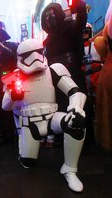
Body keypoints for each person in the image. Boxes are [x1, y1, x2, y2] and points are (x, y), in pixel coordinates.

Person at [2, 39, 86, 192]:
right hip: (29, 124)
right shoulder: (14, 77)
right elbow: (5, 106)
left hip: (52, 118)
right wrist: (12, 96)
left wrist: (76, 108)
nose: (34, 57)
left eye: (39, 52)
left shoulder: (53, 70)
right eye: (28, 54)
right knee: (28, 163)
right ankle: (25, 148)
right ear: (20, 57)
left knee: (76, 123)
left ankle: (69, 169)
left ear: (43, 52)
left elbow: (75, 91)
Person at [41, 1, 94, 146]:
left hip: (72, 72)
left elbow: (81, 20)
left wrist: (80, 7)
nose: (49, 19)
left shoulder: (70, 28)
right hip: (56, 77)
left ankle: (85, 140)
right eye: (46, 17)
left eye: (51, 15)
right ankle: (62, 139)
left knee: (78, 104)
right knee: (61, 107)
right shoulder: (47, 41)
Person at [94, 6, 112, 151]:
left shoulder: (106, 29)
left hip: (108, 71)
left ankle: (107, 141)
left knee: (106, 111)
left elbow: (99, 45)